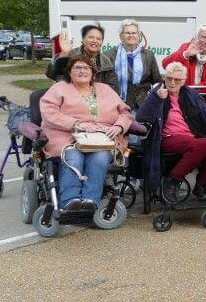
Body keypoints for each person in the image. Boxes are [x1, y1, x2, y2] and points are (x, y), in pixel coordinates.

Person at [40, 54, 133, 211]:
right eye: (77, 68)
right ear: (70, 72)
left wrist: (118, 127)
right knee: (73, 158)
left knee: (100, 159)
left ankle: (90, 200)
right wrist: (76, 124)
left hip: (103, 139)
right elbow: (49, 113)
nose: (82, 71)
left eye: (86, 68)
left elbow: (126, 113)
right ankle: (70, 201)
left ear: (93, 72)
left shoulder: (106, 89)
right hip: (69, 137)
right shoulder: (59, 88)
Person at [136, 62, 206, 203]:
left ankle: (201, 184)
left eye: (177, 80)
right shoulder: (157, 92)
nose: (172, 82)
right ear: (165, 78)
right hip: (167, 138)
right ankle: (174, 180)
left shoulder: (189, 93)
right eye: (169, 78)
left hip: (192, 136)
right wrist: (156, 98)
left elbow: (205, 110)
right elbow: (141, 117)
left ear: (184, 81)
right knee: (198, 145)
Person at [162, 24, 206, 112]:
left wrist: (191, 91)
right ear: (197, 37)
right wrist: (186, 54)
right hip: (186, 104)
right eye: (203, 37)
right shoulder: (187, 47)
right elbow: (165, 64)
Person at [103, 20, 162, 110]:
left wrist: (153, 97)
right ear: (121, 36)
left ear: (139, 36)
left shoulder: (148, 55)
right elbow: (102, 83)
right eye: (127, 33)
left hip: (142, 105)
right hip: (116, 105)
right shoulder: (109, 55)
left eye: (134, 33)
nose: (131, 35)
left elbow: (157, 81)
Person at [47, 24, 116, 90]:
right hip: (70, 98)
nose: (95, 41)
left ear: (102, 42)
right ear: (83, 39)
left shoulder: (107, 61)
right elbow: (52, 74)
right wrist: (64, 54)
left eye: (98, 39)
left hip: (97, 99)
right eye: (91, 37)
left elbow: (112, 87)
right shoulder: (71, 55)